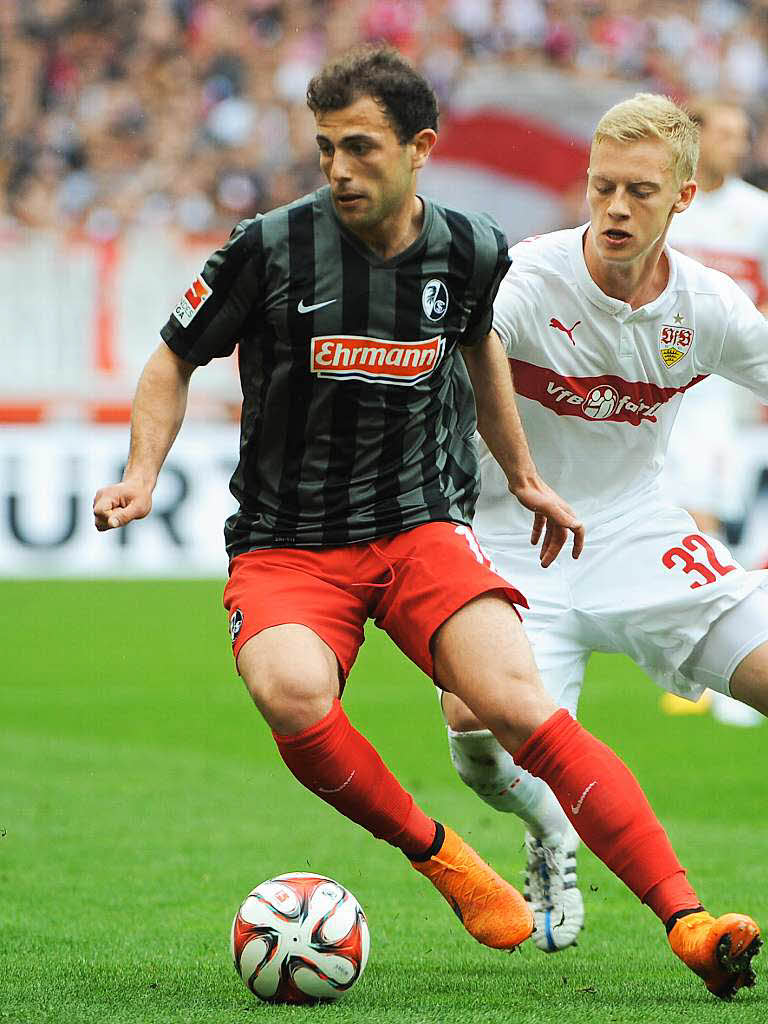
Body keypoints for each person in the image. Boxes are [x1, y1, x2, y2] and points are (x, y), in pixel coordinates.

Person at [94, 51, 755, 995]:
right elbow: (171, 357)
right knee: (291, 694)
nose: (338, 170)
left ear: (419, 149)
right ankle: (442, 855)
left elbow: (482, 353)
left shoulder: (471, 250)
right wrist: (141, 473)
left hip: (418, 529)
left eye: (359, 148)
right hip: (289, 542)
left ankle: (687, 920)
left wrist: (524, 476)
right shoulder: (268, 246)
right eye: (325, 149)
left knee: (515, 705)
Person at [441, 93, 766, 990]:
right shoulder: (520, 281)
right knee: (474, 736)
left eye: (639, 192)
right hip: (510, 544)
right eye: (602, 187)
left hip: (636, 532)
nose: (616, 209)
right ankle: (551, 831)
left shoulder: (709, 307)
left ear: (684, 199)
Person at [663, 96, 768, 726]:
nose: (740, 143)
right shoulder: (671, 207)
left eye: (744, 132)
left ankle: (715, 669)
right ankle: (715, 670)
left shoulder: (759, 215)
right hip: (675, 388)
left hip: (735, 391)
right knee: (700, 517)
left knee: (720, 521)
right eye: (727, 131)